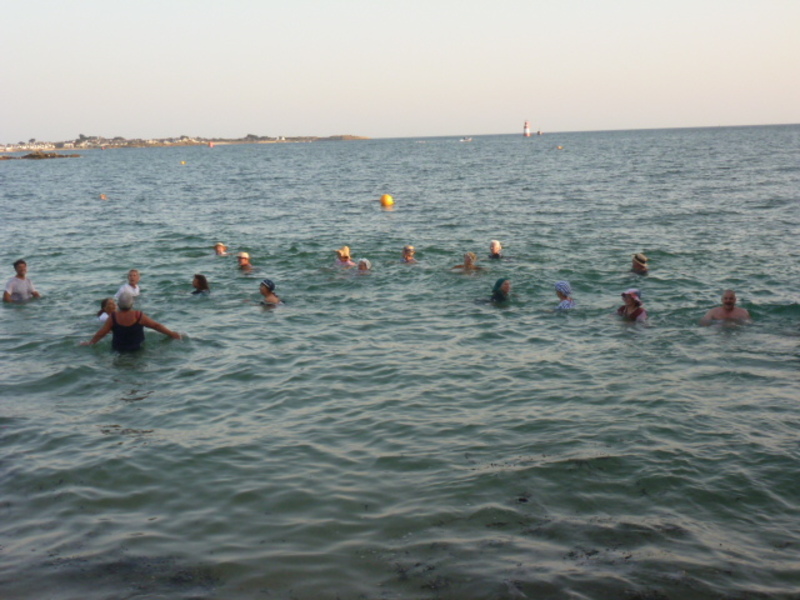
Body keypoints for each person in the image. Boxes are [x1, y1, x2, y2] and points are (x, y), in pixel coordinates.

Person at [82, 292, 180, 351]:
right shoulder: (139, 315)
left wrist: (91, 342)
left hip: (118, 349)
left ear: (119, 305)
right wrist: (172, 334)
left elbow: (101, 333)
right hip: (137, 349)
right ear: (132, 304)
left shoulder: (113, 317)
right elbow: (156, 326)